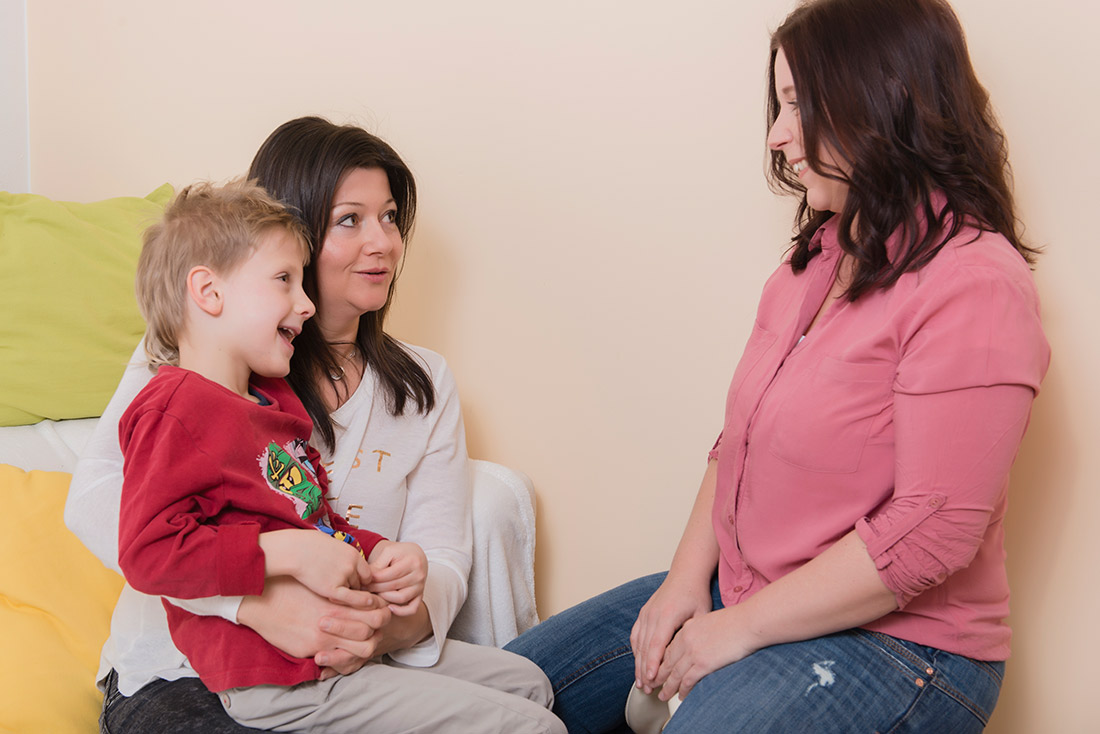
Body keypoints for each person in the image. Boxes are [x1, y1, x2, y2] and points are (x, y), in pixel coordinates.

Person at [505, 0, 1050, 731]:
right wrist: (683, 579)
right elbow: (739, 441)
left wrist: (738, 629)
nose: (776, 134)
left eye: (797, 103)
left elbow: (932, 532)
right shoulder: (813, 261)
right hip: (748, 592)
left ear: (877, 96)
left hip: (903, 648)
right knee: (496, 694)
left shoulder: (976, 282)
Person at [66, 118, 564, 734]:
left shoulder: (421, 382)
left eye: (390, 218)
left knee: (543, 687)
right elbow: (101, 508)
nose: (383, 243)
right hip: (178, 674)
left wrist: (378, 609)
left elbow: (435, 559)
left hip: (345, 662)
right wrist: (254, 604)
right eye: (350, 220)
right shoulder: (193, 355)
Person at [116, 179, 436, 730]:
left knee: (529, 685)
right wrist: (284, 553)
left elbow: (314, 518)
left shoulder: (270, 401)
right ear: (209, 293)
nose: (307, 304)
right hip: (269, 677)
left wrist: (381, 553)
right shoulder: (172, 408)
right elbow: (148, 551)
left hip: (323, 662)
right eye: (285, 280)